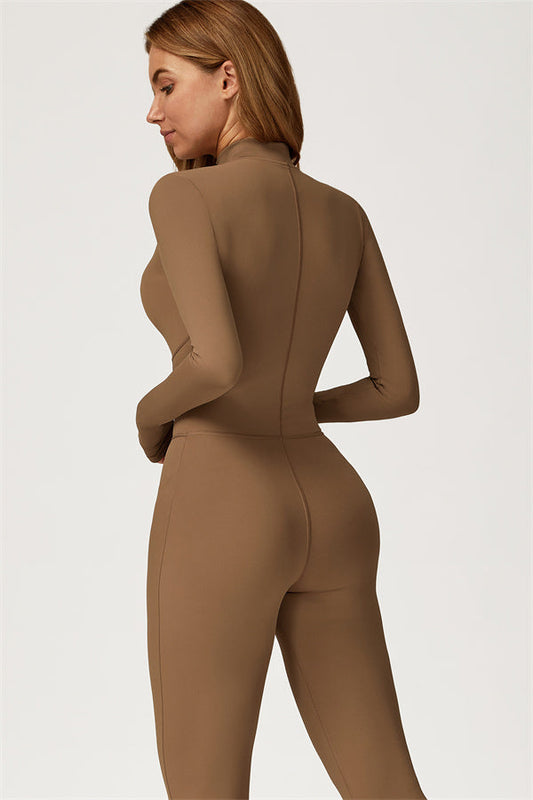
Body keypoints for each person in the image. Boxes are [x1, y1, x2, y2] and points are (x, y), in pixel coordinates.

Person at [136, 1, 428, 798]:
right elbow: (396, 390)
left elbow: (216, 362)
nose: (153, 111)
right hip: (332, 503)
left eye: (166, 84)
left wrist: (150, 415)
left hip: (222, 496)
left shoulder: (183, 199)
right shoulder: (343, 213)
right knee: (384, 783)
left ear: (228, 78)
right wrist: (293, 409)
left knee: (204, 787)